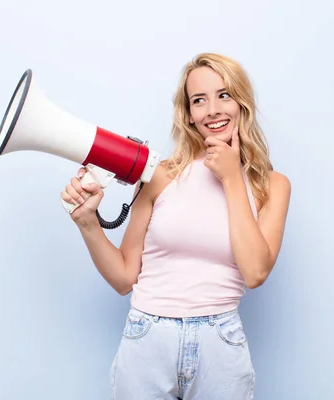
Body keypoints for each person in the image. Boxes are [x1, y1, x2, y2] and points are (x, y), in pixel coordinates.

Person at [60, 53, 291, 400]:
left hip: (220, 343)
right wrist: (88, 223)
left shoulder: (272, 185)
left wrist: (231, 178)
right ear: (189, 115)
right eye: (199, 100)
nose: (212, 110)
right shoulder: (161, 175)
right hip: (148, 338)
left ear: (243, 102)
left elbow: (256, 272)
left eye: (224, 95)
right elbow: (124, 278)